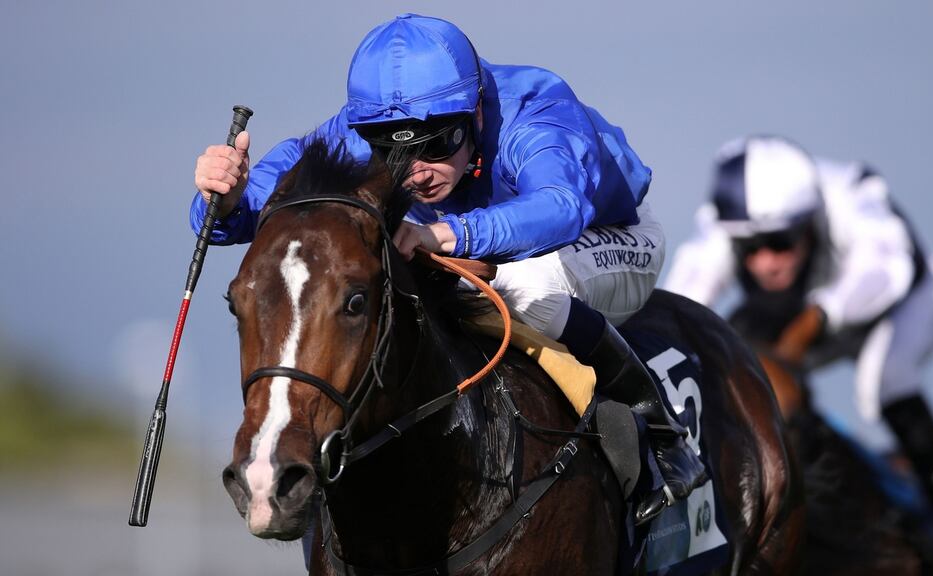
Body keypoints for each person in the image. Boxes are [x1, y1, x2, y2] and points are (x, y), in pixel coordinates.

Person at [191, 13, 707, 525]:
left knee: (529, 285)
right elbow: (258, 207)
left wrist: (445, 235)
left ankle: (658, 429)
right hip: (476, 245)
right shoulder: (362, 129)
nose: (416, 168)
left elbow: (560, 205)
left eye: (438, 143)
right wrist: (227, 199)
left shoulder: (535, 108)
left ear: (477, 114)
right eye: (391, 149)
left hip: (608, 237)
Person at [663, 135, 933, 538]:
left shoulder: (848, 197)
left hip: (905, 300)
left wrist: (812, 322)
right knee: (738, 354)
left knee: (886, 380)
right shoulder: (726, 219)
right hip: (812, 304)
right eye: (749, 247)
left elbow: (887, 270)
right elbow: (685, 295)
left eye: (779, 242)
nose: (765, 263)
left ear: (808, 222)